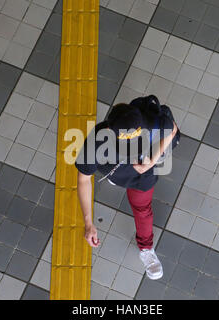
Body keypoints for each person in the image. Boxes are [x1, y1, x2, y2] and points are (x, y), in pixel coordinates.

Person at [75, 95, 180, 280]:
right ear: (109, 130)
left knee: (142, 209)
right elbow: (84, 180)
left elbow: (172, 130)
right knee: (141, 207)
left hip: (142, 177)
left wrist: (151, 162)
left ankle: (146, 248)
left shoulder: (148, 121)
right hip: (117, 174)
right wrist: (88, 223)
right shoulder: (95, 144)